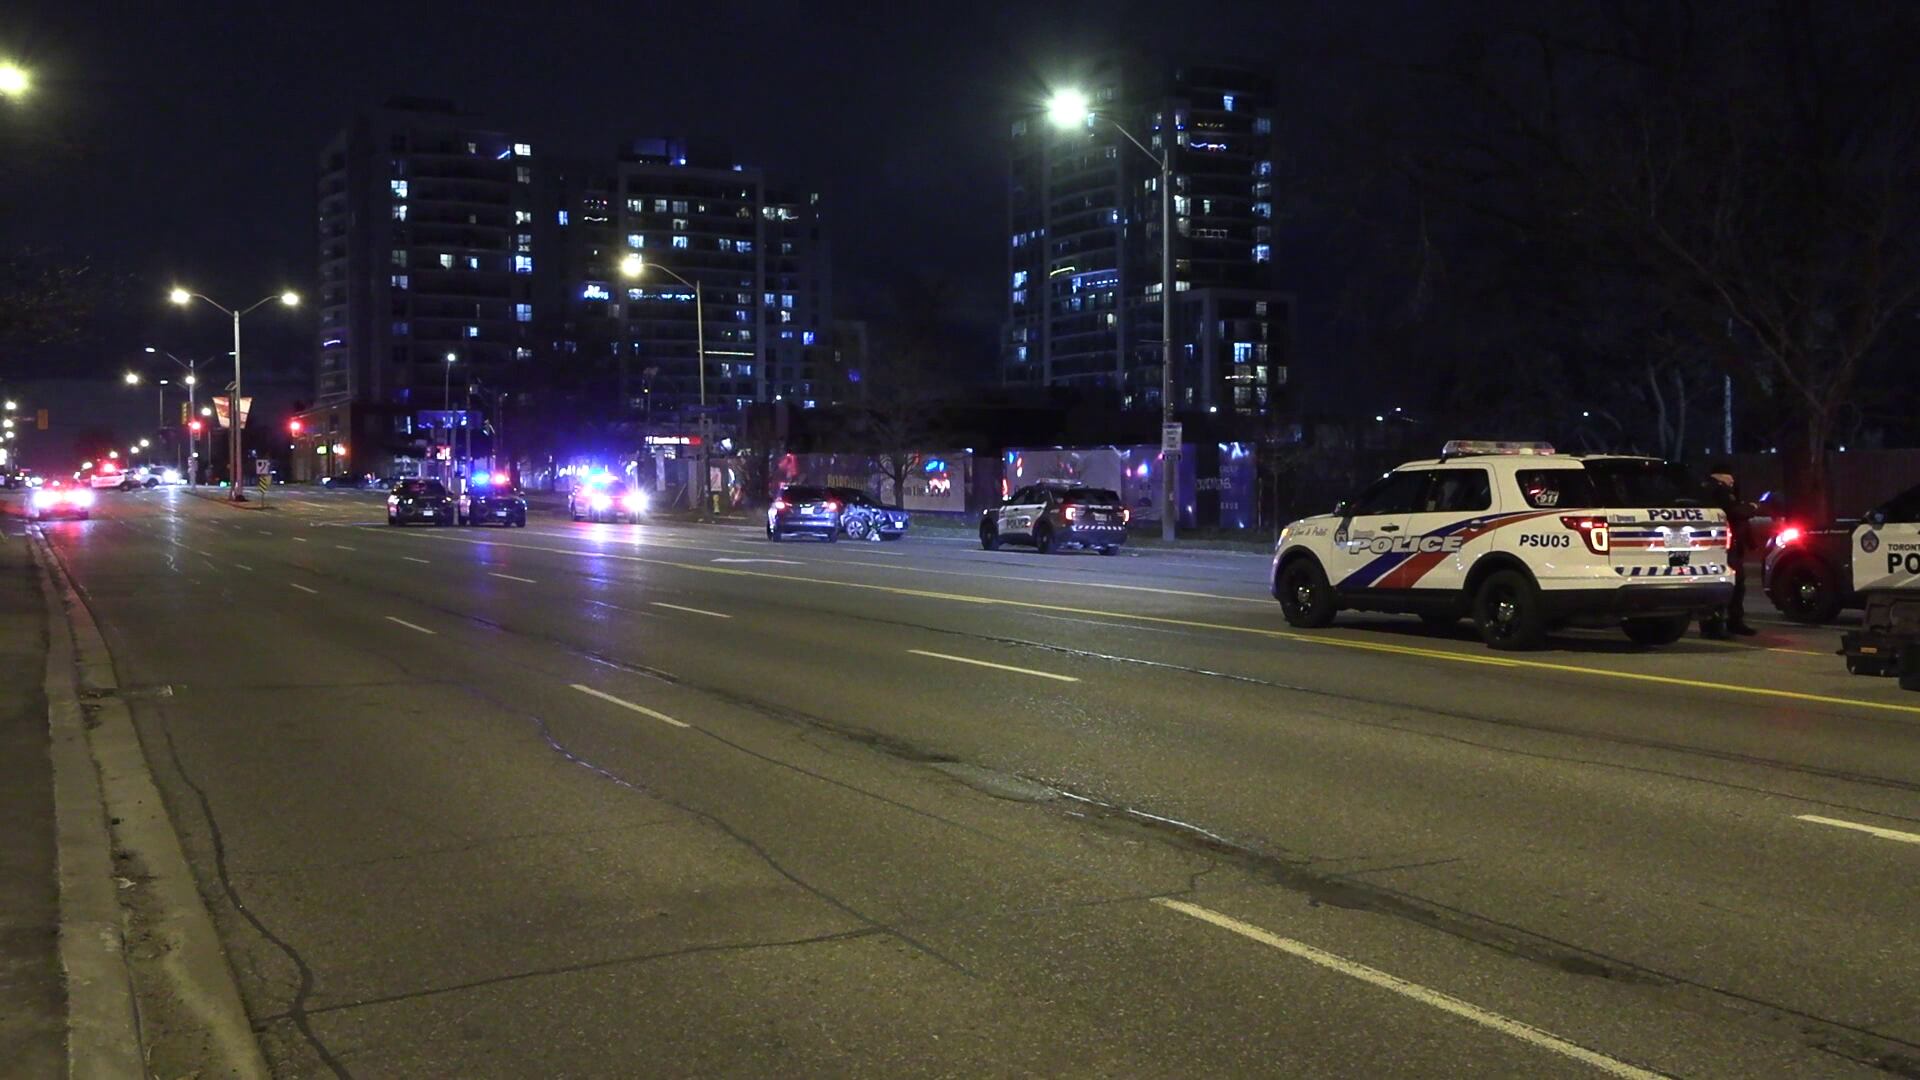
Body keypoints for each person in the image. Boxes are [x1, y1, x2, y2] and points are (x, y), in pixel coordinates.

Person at [1703, 463, 1757, 637]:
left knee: (1736, 585)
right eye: (1730, 477)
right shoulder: (1716, 491)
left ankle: (1732, 622)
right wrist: (1752, 508)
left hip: (1728, 545)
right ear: (1720, 476)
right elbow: (1735, 512)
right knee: (1722, 585)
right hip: (1719, 545)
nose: (1732, 481)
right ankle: (1714, 625)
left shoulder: (1720, 490)